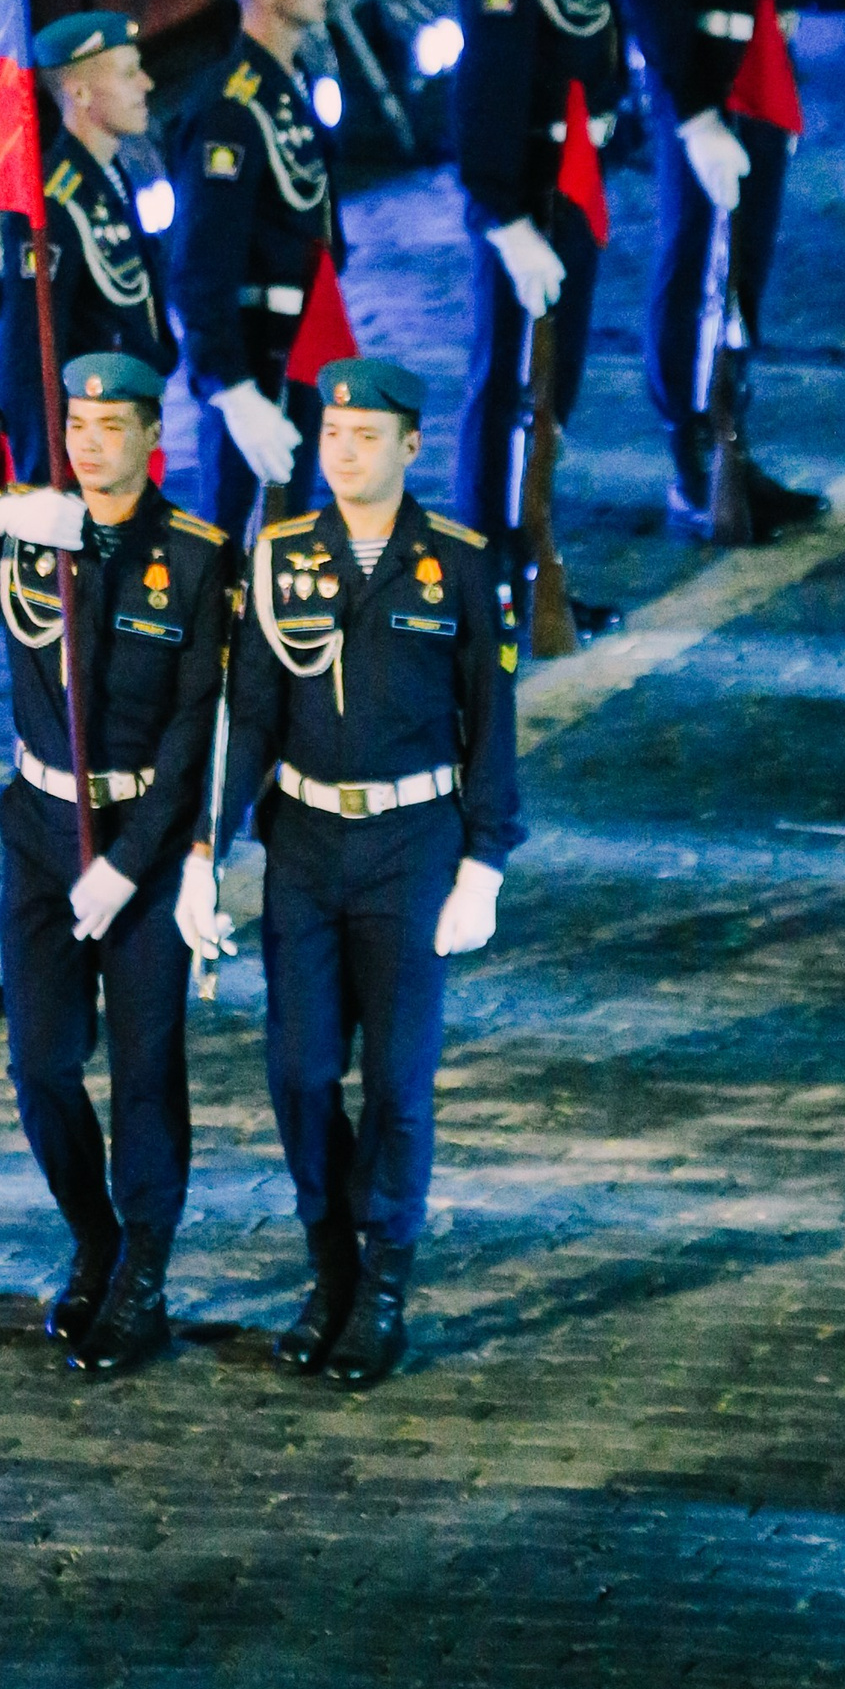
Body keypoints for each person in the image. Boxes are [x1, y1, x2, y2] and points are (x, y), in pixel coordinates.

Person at [0, 353, 228, 1377]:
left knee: (147, 1071)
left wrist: (132, 858)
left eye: (112, 424)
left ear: (151, 434)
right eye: (75, 421)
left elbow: (193, 730)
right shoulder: (32, 531)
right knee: (39, 1066)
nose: (88, 441)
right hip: (37, 828)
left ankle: (144, 1275)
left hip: (140, 846)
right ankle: (96, 1235)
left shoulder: (197, 557)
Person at [199, 358, 520, 1391]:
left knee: (397, 1080)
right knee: (297, 1070)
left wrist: (485, 861)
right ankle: (328, 1263)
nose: (346, 451)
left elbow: (492, 722)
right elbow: (249, 711)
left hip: (412, 842)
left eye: (368, 436)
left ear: (410, 447)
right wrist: (207, 850)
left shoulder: (457, 563)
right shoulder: (282, 552)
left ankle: (381, 1283)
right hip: (301, 842)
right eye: (334, 434)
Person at [622, 0, 827, 544]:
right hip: (712, 82)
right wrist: (695, 112)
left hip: (759, 74)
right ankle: (690, 451)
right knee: (697, 264)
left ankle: (731, 444)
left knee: (742, 269)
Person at [452, 0, 628, 621]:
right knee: (510, 387)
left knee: (551, 389)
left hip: (572, 186)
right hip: (532, 195)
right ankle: (490, 572)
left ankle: (532, 560)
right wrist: (502, 215)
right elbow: (486, 98)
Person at [168, 0, 346, 537]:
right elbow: (201, 259)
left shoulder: (285, 89)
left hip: (300, 336)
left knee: (287, 531)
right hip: (255, 346)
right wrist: (230, 383)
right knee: (234, 538)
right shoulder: (231, 106)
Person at [0, 12, 177, 478]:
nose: (147, 83)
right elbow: (32, 345)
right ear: (78, 92)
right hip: (88, 444)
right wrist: (47, 468)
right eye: (128, 72)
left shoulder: (112, 175)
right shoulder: (50, 202)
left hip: (128, 415)